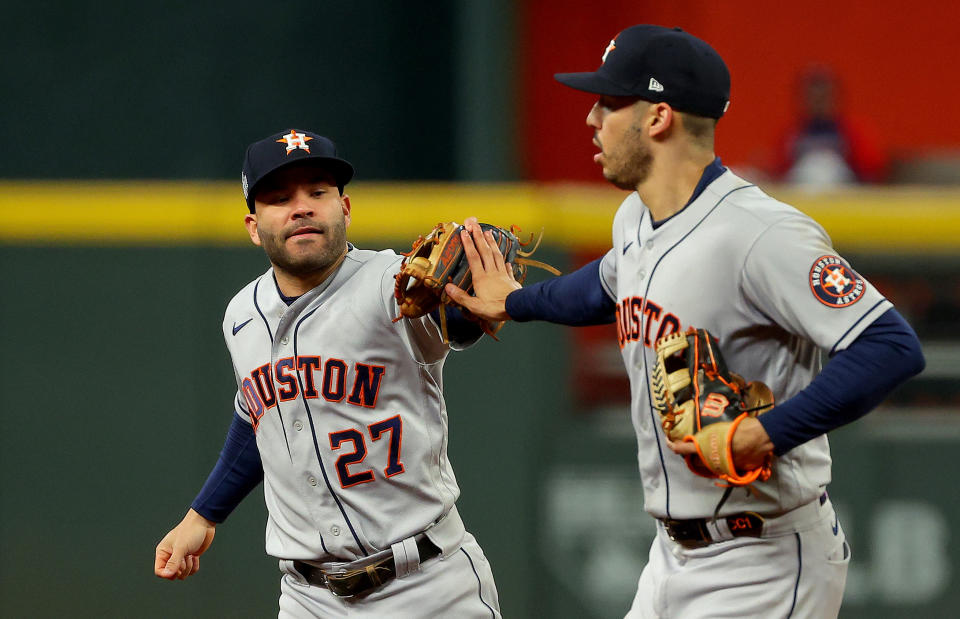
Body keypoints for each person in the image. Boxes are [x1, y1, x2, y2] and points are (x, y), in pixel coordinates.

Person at [445, 25, 924, 618]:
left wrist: (763, 434)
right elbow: (602, 287)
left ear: (659, 117)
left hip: (765, 561)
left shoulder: (760, 234)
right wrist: (516, 302)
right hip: (672, 558)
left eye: (609, 103)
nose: (592, 119)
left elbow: (890, 344)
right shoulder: (636, 217)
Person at [153, 129, 501, 618]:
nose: (302, 207)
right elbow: (261, 416)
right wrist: (203, 515)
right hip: (309, 598)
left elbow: (459, 322)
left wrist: (474, 307)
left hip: (429, 586)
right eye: (280, 198)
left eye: (318, 192)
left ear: (346, 208)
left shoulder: (393, 284)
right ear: (254, 226)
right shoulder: (241, 314)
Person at [774, 66, 888, 187]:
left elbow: (870, 169)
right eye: (813, 98)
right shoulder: (792, 135)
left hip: (843, 194)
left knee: (825, 168)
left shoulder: (851, 132)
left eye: (822, 98)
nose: (818, 104)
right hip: (800, 193)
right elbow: (780, 170)